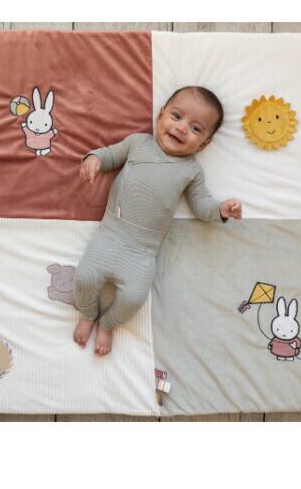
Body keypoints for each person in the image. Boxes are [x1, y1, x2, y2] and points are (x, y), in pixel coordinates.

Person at [73, 86, 242, 355]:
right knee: (84, 278)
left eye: (196, 128)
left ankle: (107, 323)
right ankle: (87, 313)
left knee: (134, 297)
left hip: (142, 251)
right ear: (160, 114)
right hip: (109, 235)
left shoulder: (191, 171)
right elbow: (109, 154)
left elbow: (200, 205)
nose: (182, 128)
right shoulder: (137, 143)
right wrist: (94, 159)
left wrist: (220, 209)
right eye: (176, 116)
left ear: (204, 144)